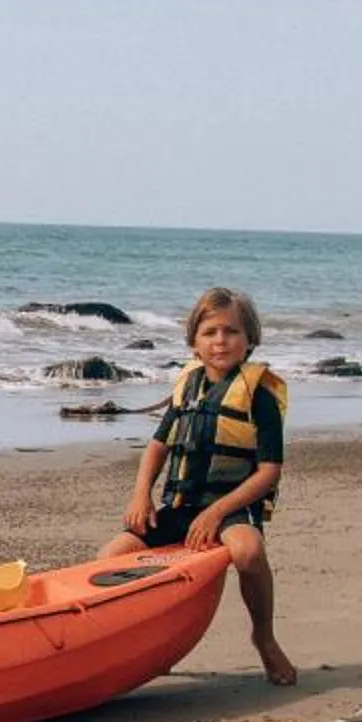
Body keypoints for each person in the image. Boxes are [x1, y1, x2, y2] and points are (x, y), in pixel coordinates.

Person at [100, 287, 297, 686]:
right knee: (109, 558)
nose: (220, 341)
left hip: (232, 508)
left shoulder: (259, 395)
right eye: (210, 332)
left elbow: (269, 471)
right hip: (179, 504)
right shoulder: (186, 386)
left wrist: (216, 512)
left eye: (231, 331)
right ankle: (134, 645)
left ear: (250, 339)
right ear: (194, 342)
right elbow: (157, 447)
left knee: (248, 551)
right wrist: (142, 496)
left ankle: (264, 637)